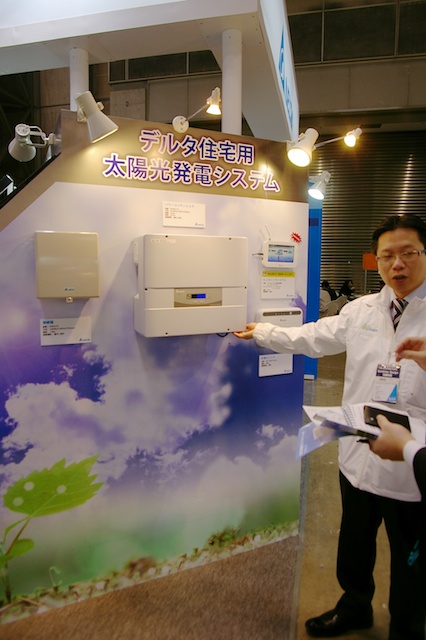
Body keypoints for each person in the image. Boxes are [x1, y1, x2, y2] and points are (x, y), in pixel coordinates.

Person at [234, 214, 426, 639]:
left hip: (412, 461)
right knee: (354, 542)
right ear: (376, 261)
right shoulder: (361, 310)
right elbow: (313, 337)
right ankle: (354, 606)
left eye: (408, 253)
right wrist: (264, 331)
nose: (397, 264)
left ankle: (407, 627)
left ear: (424, 254)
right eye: (387, 256)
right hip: (358, 451)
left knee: (410, 558)